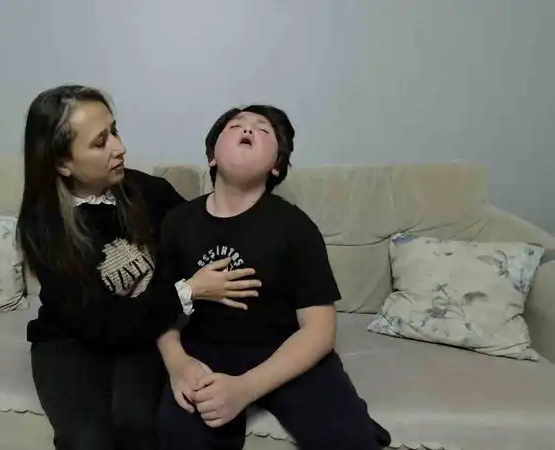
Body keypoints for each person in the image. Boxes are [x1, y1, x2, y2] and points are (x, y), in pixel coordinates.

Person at [16, 85, 262, 450]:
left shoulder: (147, 191)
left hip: (146, 332)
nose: (120, 148)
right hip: (73, 339)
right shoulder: (43, 228)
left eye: (114, 131)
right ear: (62, 163)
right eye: (100, 142)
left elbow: (201, 232)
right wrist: (189, 291)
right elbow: (102, 323)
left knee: (138, 423)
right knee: (85, 440)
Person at [155, 105, 392, 450]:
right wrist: (178, 364)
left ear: (276, 166)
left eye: (262, 129)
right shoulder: (177, 222)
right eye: (235, 125)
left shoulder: (295, 227)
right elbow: (159, 308)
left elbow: (319, 330)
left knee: (349, 439)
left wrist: (245, 389)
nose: (247, 129)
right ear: (212, 157)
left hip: (284, 350)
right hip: (203, 350)